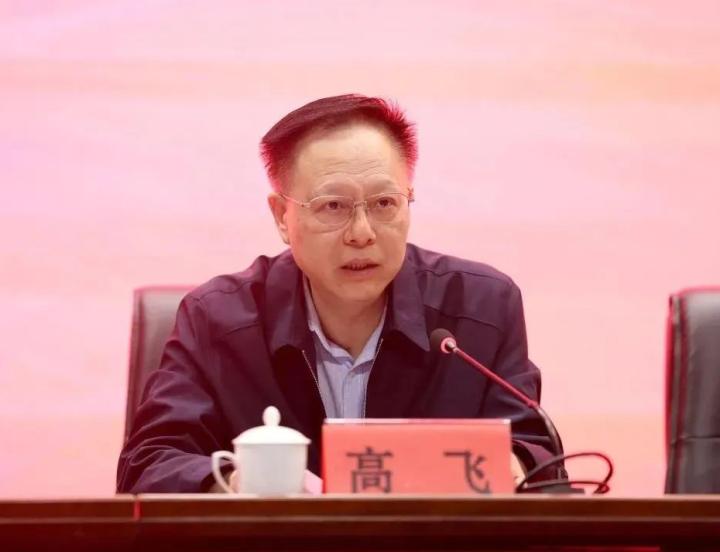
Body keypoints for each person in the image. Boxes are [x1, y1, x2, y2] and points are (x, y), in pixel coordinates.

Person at [117, 94, 558, 493]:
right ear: (282, 216)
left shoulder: (481, 308)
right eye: (333, 206)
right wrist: (238, 483)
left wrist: (510, 467)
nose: (362, 233)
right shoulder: (216, 319)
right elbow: (148, 465)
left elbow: (537, 455)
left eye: (384, 203)